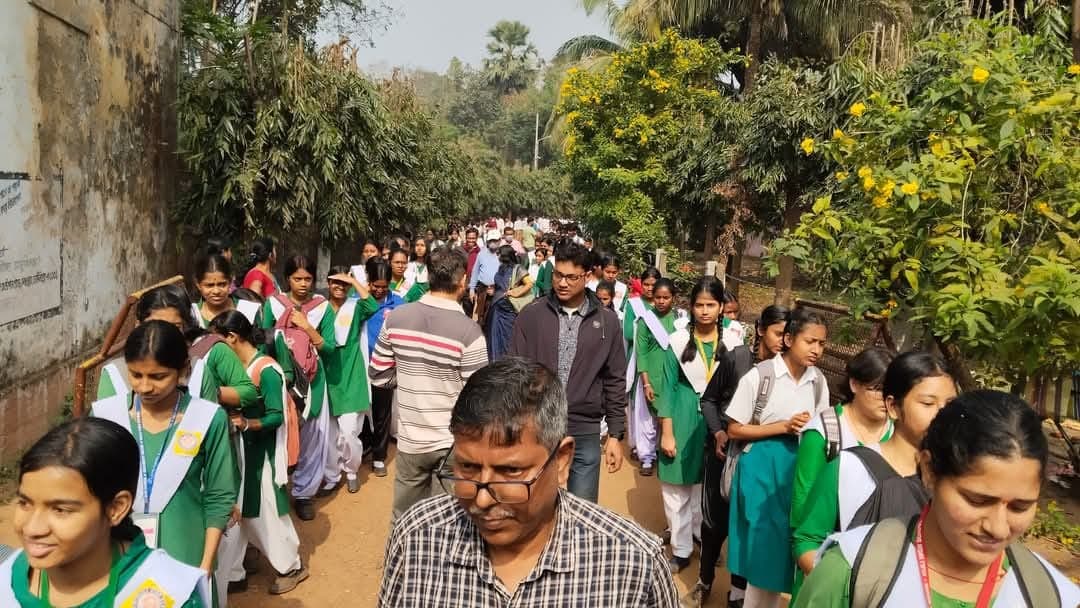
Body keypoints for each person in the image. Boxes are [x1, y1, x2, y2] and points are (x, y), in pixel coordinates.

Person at [377, 357, 680, 607]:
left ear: (561, 461)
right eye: (467, 467)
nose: (482, 500)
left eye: (510, 473)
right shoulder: (416, 537)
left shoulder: (634, 564)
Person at [794, 390, 1080, 608]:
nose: (998, 528)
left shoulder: (1050, 597)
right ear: (929, 471)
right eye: (977, 501)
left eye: (1020, 507)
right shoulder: (852, 572)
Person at [90, 321, 238, 589]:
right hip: (117, 556)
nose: (145, 387)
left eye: (158, 377)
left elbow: (219, 494)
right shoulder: (106, 417)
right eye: (135, 375)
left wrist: (205, 565)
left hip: (186, 556)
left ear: (182, 370)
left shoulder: (206, 418)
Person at [3, 417, 211, 607]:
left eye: (60, 510)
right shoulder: (6, 583)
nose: (32, 528)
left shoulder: (170, 595)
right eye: (24, 503)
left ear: (116, 508)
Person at [792, 352, 958, 583]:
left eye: (950, 404)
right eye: (928, 403)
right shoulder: (848, 468)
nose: (942, 414)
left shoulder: (958, 479)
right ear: (893, 407)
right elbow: (807, 539)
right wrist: (849, 591)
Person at [369, 248, 488, 520]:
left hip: (411, 441)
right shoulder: (470, 333)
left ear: (428, 278)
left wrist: (411, 380)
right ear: (462, 281)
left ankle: (400, 562)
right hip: (451, 443)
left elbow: (379, 375)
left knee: (403, 517)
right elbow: (479, 399)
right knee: (446, 521)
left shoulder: (396, 318)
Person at [685, 305, 789, 608]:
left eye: (788, 335)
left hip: (761, 466)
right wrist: (718, 432)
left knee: (749, 527)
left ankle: (738, 593)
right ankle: (704, 581)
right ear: (760, 330)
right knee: (715, 523)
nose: (783, 341)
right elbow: (709, 400)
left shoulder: (790, 373)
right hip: (724, 455)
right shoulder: (739, 359)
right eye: (778, 333)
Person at [725, 307, 830, 608]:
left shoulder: (818, 381)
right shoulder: (761, 376)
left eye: (821, 344)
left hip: (799, 470)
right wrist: (783, 426)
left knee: (788, 546)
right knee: (763, 552)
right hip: (761, 471)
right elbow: (734, 429)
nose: (816, 350)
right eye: (810, 341)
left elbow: (823, 427)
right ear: (789, 339)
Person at [508, 240, 627, 502]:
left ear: (587, 277)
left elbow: (614, 379)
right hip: (537, 426)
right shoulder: (531, 315)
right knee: (534, 504)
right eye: (558, 275)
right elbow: (515, 372)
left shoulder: (607, 323)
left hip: (584, 429)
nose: (562, 283)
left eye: (571, 277)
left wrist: (616, 435)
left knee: (582, 509)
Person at [208, 311, 308, 596]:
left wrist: (247, 423)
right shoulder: (240, 367)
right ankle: (236, 572)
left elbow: (277, 416)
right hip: (242, 452)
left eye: (218, 341)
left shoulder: (265, 370)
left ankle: (292, 566)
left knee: (265, 512)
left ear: (232, 337)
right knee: (240, 513)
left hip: (261, 454)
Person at [787, 347, 896, 598]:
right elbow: (803, 502)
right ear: (855, 384)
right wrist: (812, 563)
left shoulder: (899, 433)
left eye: (892, 391)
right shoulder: (824, 431)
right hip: (828, 556)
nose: (886, 398)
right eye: (877, 388)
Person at [655, 278, 730, 573]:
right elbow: (667, 388)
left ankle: (704, 539)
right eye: (699, 305)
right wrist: (668, 433)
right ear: (691, 307)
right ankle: (682, 548)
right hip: (683, 416)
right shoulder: (676, 343)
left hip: (717, 423)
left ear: (721, 307)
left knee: (707, 488)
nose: (704, 311)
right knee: (676, 490)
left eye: (711, 305)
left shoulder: (733, 344)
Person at [258, 255, 333, 522]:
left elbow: (330, 347)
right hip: (279, 381)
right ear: (287, 279)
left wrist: (307, 328)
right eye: (297, 278)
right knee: (280, 432)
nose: (303, 284)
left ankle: (303, 494)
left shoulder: (322, 307)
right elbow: (262, 339)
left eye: (308, 279)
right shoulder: (273, 305)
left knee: (312, 434)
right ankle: (275, 490)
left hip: (313, 381)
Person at [322, 266, 379, 494]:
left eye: (343, 283)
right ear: (327, 283)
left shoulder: (354, 307)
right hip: (327, 374)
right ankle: (332, 475)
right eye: (335, 282)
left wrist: (353, 281)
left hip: (352, 375)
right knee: (329, 436)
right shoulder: (320, 308)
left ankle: (352, 469)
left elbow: (372, 304)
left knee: (348, 432)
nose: (339, 287)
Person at [358, 258, 406, 478]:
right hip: (359, 365)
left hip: (385, 366)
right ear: (367, 281)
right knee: (361, 411)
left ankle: (379, 456)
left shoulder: (398, 303)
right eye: (375, 286)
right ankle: (364, 445)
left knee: (382, 411)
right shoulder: (356, 300)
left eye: (383, 286)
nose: (379, 290)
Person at [634, 278, 679, 478]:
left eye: (665, 297)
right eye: (657, 297)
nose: (661, 301)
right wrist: (645, 382)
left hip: (672, 376)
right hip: (650, 375)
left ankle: (664, 453)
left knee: (668, 417)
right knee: (647, 419)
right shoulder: (645, 320)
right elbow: (641, 352)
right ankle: (646, 458)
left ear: (673, 298)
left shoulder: (681, 322)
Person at [623, 267, 663, 474]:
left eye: (653, 284)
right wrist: (645, 327)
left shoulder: (665, 306)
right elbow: (629, 333)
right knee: (636, 406)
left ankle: (652, 448)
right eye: (646, 284)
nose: (649, 288)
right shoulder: (634, 305)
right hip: (636, 360)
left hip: (660, 362)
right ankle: (638, 446)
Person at [485, 245, 534, 361]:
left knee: (507, 337)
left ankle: (507, 364)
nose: (497, 256)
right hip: (496, 306)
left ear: (506, 256)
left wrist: (515, 292)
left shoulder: (519, 268)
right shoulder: (501, 268)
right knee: (493, 336)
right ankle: (494, 362)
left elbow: (529, 283)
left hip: (508, 309)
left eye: (499, 254)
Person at [192, 254, 261, 329]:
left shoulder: (248, 310)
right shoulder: (192, 315)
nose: (216, 291)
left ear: (230, 281)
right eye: (209, 285)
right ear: (198, 285)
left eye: (222, 284)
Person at [469, 231, 501, 324]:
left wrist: (496, 288)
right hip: (483, 290)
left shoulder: (502, 254)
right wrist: (472, 289)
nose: (493, 242)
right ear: (487, 241)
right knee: (481, 317)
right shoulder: (481, 254)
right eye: (491, 240)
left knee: (494, 318)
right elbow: (475, 272)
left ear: (499, 240)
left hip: (498, 290)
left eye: (495, 240)